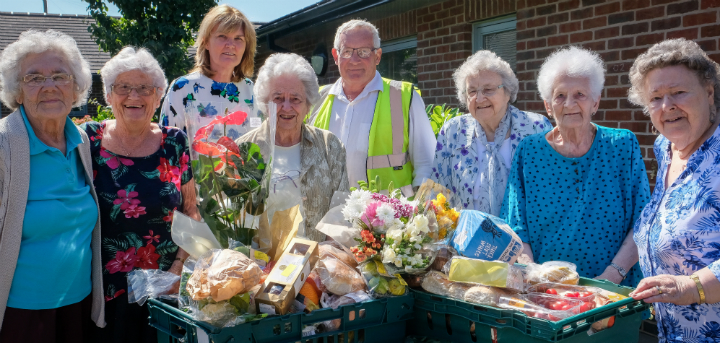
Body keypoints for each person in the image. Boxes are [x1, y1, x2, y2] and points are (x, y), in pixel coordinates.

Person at [501, 46, 650, 287]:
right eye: (560, 96)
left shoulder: (622, 145)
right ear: (548, 106)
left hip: (612, 287)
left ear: (595, 102)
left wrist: (611, 277)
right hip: (546, 291)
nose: (569, 103)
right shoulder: (529, 152)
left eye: (580, 94)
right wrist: (534, 274)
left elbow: (644, 219)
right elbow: (516, 225)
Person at [82, 47, 200, 342]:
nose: (134, 96)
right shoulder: (88, 141)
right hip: (105, 290)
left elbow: (191, 210)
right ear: (108, 95)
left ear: (158, 96)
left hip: (165, 289)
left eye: (145, 88)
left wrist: (178, 268)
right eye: (123, 87)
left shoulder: (174, 142)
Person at [0, 29, 103, 342]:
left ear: (75, 89)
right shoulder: (4, 145)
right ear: (17, 91)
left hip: (77, 304)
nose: (49, 87)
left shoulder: (82, 141)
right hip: (21, 313)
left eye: (60, 76)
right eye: (34, 78)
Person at [627, 38, 720, 341]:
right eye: (655, 97)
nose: (667, 106)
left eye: (679, 92)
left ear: (709, 93)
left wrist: (689, 287)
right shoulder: (665, 148)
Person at [307, 19, 435, 197]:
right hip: (327, 219)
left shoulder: (405, 97)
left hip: (388, 220)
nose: (354, 60)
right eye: (347, 52)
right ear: (336, 56)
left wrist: (419, 215)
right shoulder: (315, 100)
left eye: (363, 51)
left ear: (378, 56)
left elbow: (428, 165)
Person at [237, 53, 349, 241]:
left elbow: (341, 214)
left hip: (319, 262)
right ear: (265, 103)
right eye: (278, 98)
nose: (286, 107)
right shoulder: (243, 150)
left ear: (308, 104)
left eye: (295, 99)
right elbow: (233, 219)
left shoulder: (330, 146)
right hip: (261, 265)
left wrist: (324, 261)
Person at [432, 50, 551, 213]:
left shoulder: (536, 128)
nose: (479, 99)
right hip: (466, 235)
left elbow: (551, 191)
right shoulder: (452, 131)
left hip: (524, 236)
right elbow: (438, 194)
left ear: (507, 92)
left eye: (488, 89)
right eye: (472, 91)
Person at [159, 4, 257, 141]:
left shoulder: (251, 90)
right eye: (222, 36)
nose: (230, 44)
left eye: (238, 38)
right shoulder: (182, 88)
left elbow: (259, 144)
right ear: (206, 42)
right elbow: (167, 145)